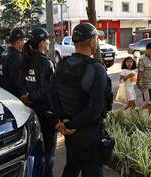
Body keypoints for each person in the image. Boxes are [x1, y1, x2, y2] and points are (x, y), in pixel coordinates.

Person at [50, 23, 111, 177]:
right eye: (96, 38)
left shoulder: (61, 64)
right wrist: (69, 125)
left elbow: (53, 95)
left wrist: (63, 121)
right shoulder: (96, 69)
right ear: (92, 42)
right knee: (92, 172)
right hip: (88, 134)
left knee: (71, 167)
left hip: (70, 132)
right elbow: (95, 109)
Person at [19, 28, 57, 177]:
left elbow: (21, 84)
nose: (49, 43)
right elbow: (48, 92)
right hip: (46, 114)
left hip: (31, 112)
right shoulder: (46, 63)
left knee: (35, 149)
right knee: (49, 152)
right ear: (42, 43)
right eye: (47, 40)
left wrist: (27, 97)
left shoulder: (26, 59)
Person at [0, 28, 25, 97]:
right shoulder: (16, 57)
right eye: (23, 40)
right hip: (15, 98)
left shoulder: (1, 55)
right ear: (18, 42)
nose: (24, 43)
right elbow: (17, 82)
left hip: (2, 95)